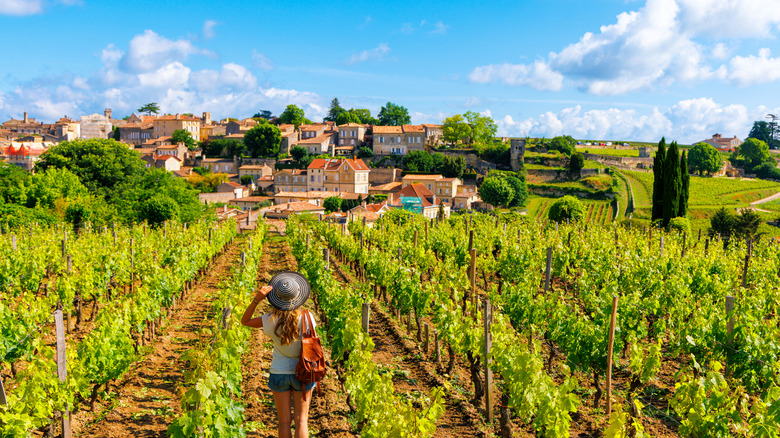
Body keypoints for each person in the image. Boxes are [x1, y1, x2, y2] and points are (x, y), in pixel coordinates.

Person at [241, 271, 316, 438]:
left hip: (279, 372)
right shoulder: (308, 317)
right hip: (303, 372)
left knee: (284, 422)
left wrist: (257, 299)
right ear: (298, 296)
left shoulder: (269, 320)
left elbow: (244, 321)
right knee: (301, 420)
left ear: (275, 298)